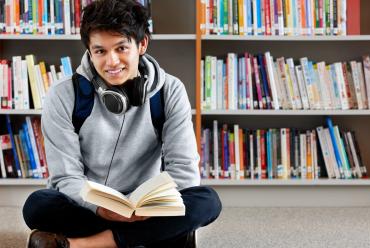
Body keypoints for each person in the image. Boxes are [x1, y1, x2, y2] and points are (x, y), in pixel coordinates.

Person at [22, 0, 222, 247]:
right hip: (89, 207)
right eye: (100, 51)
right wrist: (99, 207)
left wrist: (147, 207)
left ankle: (80, 244)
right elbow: (66, 177)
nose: (112, 62)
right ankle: (153, 236)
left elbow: (184, 170)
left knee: (207, 200)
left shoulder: (170, 90)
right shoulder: (63, 95)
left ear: (142, 45)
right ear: (89, 51)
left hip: (146, 207)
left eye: (121, 48)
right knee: (37, 205)